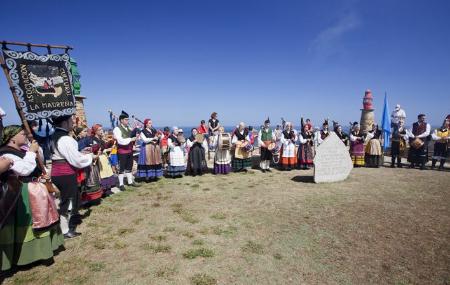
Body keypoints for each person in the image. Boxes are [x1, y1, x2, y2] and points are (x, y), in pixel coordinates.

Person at [0, 125, 64, 271]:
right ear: (12, 138)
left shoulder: (20, 151)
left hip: (34, 189)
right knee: (30, 222)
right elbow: (24, 169)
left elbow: (34, 166)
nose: (25, 136)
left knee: (43, 217)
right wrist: (31, 152)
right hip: (21, 192)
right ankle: (28, 256)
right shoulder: (6, 153)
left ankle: (45, 250)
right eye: (22, 134)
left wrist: (41, 171)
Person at [51, 115, 93, 238]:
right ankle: (65, 230)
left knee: (66, 199)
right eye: (71, 121)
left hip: (57, 171)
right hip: (65, 172)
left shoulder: (54, 136)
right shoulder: (65, 139)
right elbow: (76, 161)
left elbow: (65, 155)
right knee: (68, 200)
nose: (73, 123)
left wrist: (80, 153)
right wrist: (90, 157)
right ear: (64, 123)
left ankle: (65, 228)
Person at [113, 111, 139, 190]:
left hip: (129, 150)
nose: (128, 121)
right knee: (121, 168)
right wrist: (131, 139)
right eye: (126, 119)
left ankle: (130, 182)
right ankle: (121, 184)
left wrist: (135, 136)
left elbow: (133, 137)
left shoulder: (129, 128)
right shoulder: (117, 129)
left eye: (128, 119)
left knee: (129, 167)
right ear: (121, 120)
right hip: (122, 151)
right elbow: (120, 141)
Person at [91, 124, 118, 194]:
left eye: (102, 129)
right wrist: (106, 150)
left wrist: (110, 145)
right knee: (102, 173)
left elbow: (105, 146)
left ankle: (108, 188)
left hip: (104, 157)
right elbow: (95, 149)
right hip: (99, 158)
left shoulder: (100, 139)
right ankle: (104, 190)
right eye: (99, 130)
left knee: (107, 172)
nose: (101, 131)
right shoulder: (93, 139)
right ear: (95, 131)